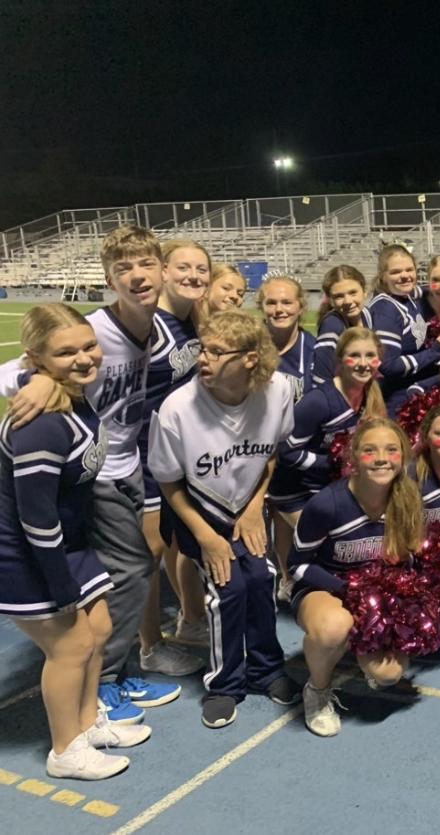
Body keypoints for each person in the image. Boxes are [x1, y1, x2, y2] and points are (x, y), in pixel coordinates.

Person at [1, 224, 182, 725]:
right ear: (108, 279)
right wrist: (34, 377)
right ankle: (102, 682)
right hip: (93, 472)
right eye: (123, 269)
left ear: (161, 270)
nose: (137, 275)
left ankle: (109, 674)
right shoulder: (97, 332)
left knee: (122, 573)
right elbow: (10, 372)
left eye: (146, 264)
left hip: (122, 464)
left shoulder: (159, 330)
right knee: (129, 572)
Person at [0, 304, 151, 780]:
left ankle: (87, 725)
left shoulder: (72, 396)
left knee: (99, 628)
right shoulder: (42, 422)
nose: (85, 358)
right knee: (70, 646)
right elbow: (35, 514)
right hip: (27, 553)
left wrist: (41, 377)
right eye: (66, 352)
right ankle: (65, 750)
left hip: (68, 544)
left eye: (89, 345)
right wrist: (59, 582)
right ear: (37, 357)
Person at [149, 310, 299, 729]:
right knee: (229, 586)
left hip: (246, 506)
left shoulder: (278, 391)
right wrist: (206, 537)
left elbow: (271, 452)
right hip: (197, 511)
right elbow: (168, 481)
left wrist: (256, 507)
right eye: (203, 348)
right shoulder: (177, 408)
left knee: (263, 577)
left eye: (216, 351)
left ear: (250, 358)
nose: (204, 358)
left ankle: (268, 670)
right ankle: (224, 684)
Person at [288, 418, 421, 737]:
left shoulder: (407, 499)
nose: (381, 458)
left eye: (391, 450)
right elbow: (296, 565)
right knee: (334, 628)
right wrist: (347, 589)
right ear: (353, 458)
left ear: (402, 456)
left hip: (375, 597)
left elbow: (410, 561)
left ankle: (359, 646)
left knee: (389, 675)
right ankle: (317, 691)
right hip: (323, 587)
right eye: (369, 450)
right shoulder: (327, 504)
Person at [136, 239, 210, 679]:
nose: (193, 276)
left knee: (174, 541)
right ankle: (149, 647)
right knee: (147, 553)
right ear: (165, 270)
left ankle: (187, 619)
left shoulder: (189, 324)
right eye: (183, 267)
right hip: (139, 457)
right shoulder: (146, 322)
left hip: (174, 454)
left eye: (201, 268)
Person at [270, 326, 386, 602]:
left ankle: (288, 579)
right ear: (339, 359)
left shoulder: (372, 395)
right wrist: (335, 464)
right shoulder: (318, 401)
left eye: (370, 355)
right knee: (333, 542)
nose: (363, 363)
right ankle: (302, 586)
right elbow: (286, 451)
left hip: (329, 485)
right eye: (354, 355)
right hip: (292, 488)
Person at [372, 244, 440, 415]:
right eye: (395, 272)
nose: (404, 276)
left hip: (415, 393)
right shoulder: (385, 308)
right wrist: (435, 351)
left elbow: (423, 290)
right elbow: (388, 365)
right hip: (398, 401)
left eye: (409, 269)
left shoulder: (405, 294)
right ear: (382, 276)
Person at [312, 265, 373, 387]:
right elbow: (321, 379)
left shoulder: (369, 315)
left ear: (365, 291)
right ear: (330, 300)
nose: (348, 301)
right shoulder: (332, 325)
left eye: (353, 293)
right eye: (339, 296)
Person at [258, 274, 316, 402]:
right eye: (271, 303)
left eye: (287, 303)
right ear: (262, 307)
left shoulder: (314, 351)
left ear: (300, 307)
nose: (279, 309)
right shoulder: (248, 345)